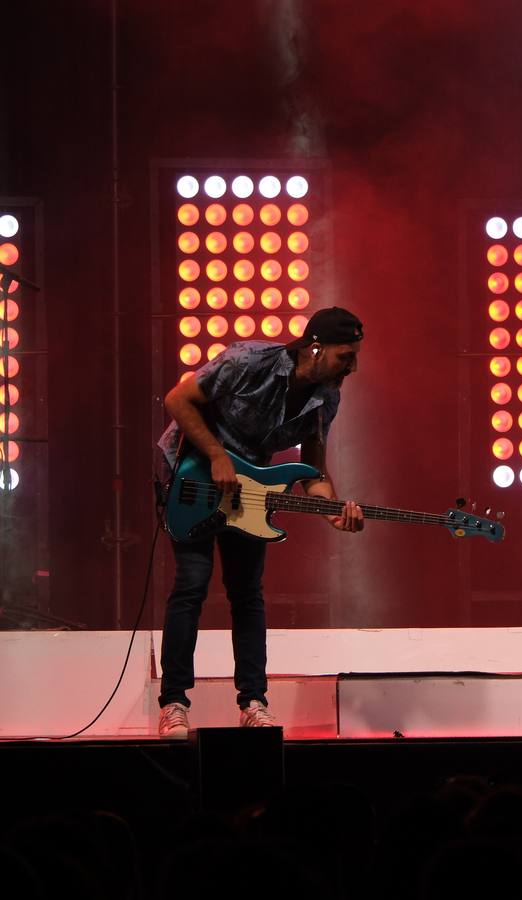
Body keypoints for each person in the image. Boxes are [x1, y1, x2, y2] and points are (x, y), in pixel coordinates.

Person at [155, 307, 366, 738]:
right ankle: (174, 702)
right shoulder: (249, 361)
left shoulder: (327, 398)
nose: (353, 367)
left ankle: (253, 701)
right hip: (190, 473)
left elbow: (314, 471)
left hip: (249, 491)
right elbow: (177, 400)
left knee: (247, 593)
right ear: (315, 347)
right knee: (192, 583)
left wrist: (334, 511)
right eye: (346, 356)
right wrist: (215, 455)